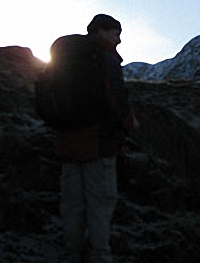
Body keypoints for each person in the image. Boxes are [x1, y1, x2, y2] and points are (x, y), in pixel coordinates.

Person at [55, 14, 138, 263]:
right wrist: (130, 125)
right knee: (100, 204)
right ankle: (100, 256)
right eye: (116, 33)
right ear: (101, 31)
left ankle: (71, 254)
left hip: (66, 142)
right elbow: (117, 99)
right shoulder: (104, 58)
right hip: (98, 144)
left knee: (72, 205)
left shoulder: (65, 57)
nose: (119, 40)